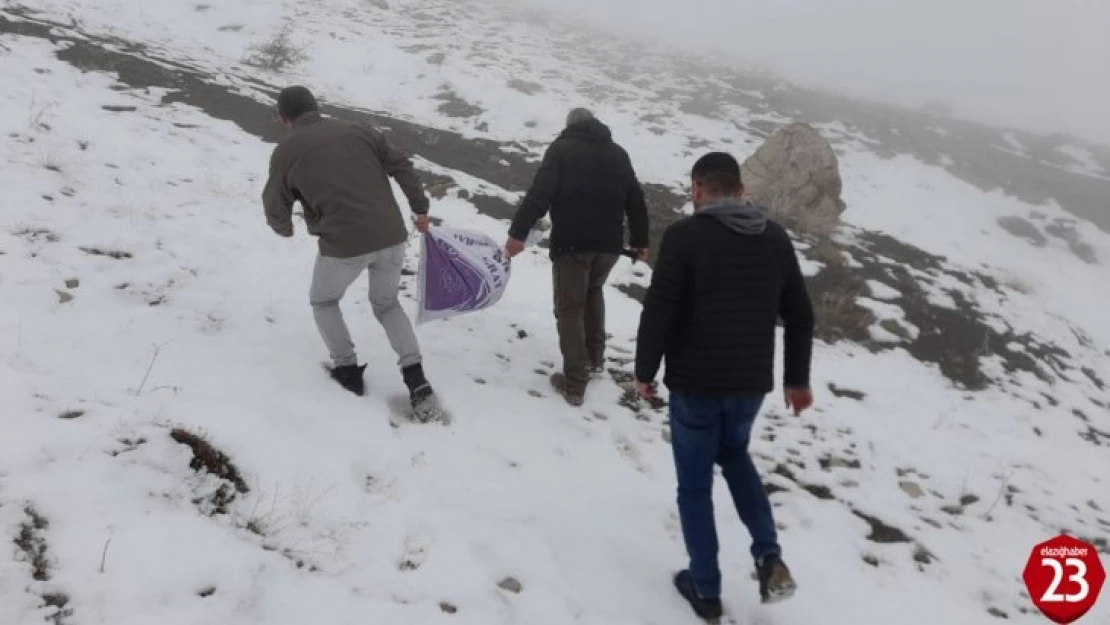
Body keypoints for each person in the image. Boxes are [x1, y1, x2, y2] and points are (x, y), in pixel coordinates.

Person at [634, 152, 815, 619]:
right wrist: (797, 378)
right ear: (739, 189)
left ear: (698, 188)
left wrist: (644, 370)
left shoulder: (684, 236)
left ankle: (706, 589)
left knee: (694, 489)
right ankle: (768, 556)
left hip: (695, 384)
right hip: (749, 384)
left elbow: (660, 310)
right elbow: (799, 312)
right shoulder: (773, 237)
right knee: (734, 455)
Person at [261, 85, 441, 420]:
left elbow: (274, 201)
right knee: (387, 303)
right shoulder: (359, 130)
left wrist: (283, 227)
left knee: (324, 301)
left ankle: (347, 370)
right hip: (390, 234)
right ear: (316, 106)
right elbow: (400, 164)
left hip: (343, 243)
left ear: (285, 119)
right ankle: (417, 381)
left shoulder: (286, 151)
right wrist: (420, 207)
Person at [505, 107, 650, 406]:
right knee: (593, 292)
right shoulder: (618, 153)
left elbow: (539, 195)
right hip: (609, 244)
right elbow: (635, 199)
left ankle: (574, 382)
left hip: (573, 243)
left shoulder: (561, 149)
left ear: (570, 126)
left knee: (569, 307)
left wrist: (517, 234)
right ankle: (595, 360)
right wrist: (640, 241)